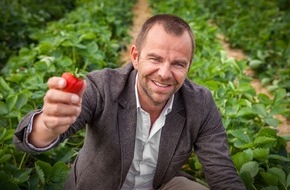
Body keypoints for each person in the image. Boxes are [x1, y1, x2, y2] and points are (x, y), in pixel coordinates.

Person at [14, 14, 246, 190]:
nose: (165, 73)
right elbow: (29, 142)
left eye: (178, 64)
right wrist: (47, 126)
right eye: (155, 58)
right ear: (135, 56)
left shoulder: (200, 103)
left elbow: (222, 172)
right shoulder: (102, 86)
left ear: (188, 66)